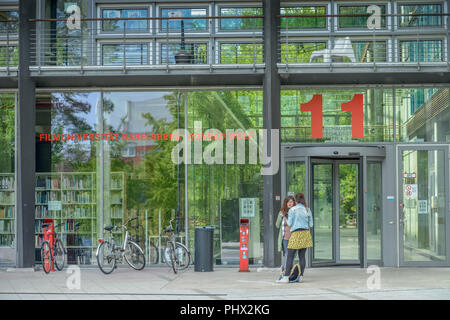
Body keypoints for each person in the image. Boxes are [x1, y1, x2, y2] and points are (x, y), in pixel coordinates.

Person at [277, 193, 313, 283]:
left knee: (289, 255)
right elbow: (311, 224)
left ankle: (286, 277)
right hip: (306, 233)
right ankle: (301, 276)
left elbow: (289, 223)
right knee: (302, 256)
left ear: (296, 201)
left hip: (296, 233)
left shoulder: (293, 210)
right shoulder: (307, 209)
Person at [275, 196, 295, 272]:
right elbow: (277, 225)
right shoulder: (282, 212)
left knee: (292, 255)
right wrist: (281, 216)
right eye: (288, 202)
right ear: (286, 203)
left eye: (291, 202)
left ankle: (287, 269)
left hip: (294, 237)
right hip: (285, 238)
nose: (290, 203)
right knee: (287, 254)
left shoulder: (295, 212)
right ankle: (286, 271)